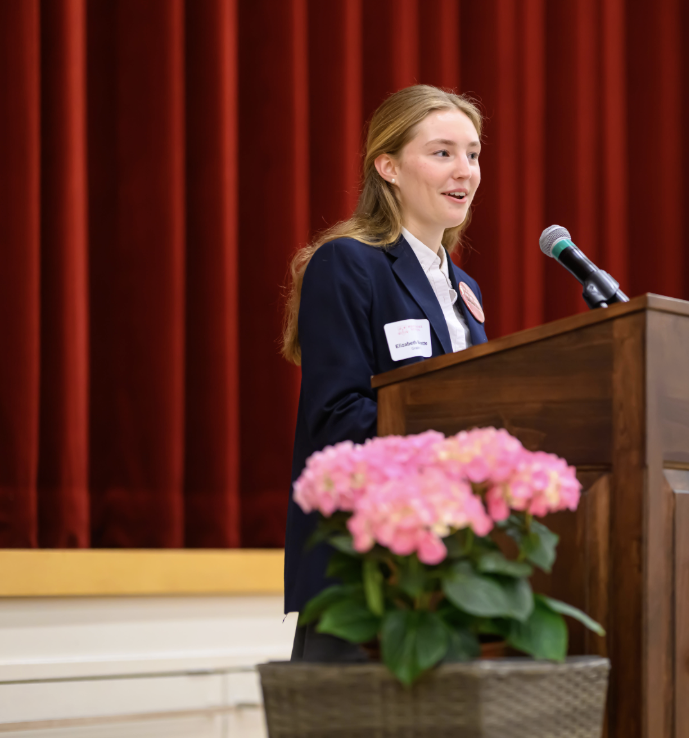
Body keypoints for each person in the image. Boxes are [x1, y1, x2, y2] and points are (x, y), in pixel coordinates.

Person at [280, 85, 488, 660]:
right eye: (442, 152)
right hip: (364, 574)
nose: (464, 171)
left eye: (473, 154)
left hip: (454, 574)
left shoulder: (465, 290)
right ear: (388, 166)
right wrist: (459, 448)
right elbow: (338, 421)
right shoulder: (348, 263)